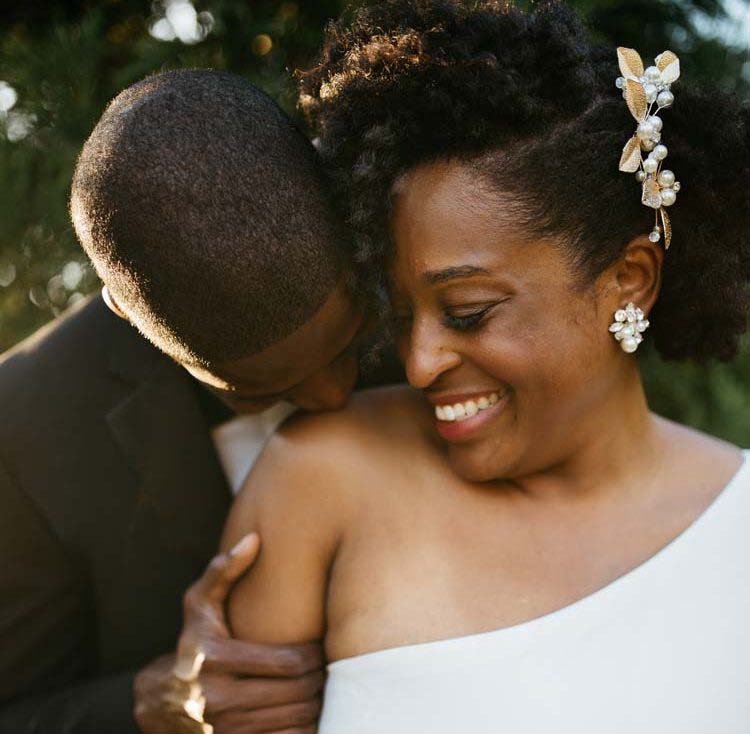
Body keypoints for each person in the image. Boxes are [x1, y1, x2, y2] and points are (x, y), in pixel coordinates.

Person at [221, 1, 750, 731]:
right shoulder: (322, 479)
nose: (418, 364)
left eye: (467, 312)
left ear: (629, 279)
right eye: (402, 316)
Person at [0, 69, 401, 734]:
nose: (331, 398)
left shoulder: (418, 263)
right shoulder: (22, 434)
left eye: (347, 346)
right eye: (264, 390)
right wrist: (148, 704)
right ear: (135, 322)